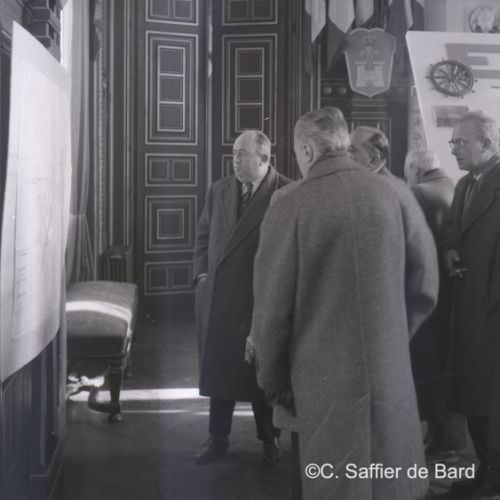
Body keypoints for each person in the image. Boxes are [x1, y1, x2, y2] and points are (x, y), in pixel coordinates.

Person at [249, 107, 438, 500]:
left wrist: (274, 384)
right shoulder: (396, 194)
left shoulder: (289, 207)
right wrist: (389, 342)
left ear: (306, 150)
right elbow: (425, 288)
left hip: (318, 388)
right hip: (389, 377)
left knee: (333, 484)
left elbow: (271, 314)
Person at [192, 130, 290, 465]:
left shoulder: (286, 191)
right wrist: (201, 276)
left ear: (263, 158)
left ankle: (269, 440)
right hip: (221, 298)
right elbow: (203, 237)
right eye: (234, 152)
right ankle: (217, 438)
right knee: (220, 374)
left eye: (242, 154)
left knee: (261, 375)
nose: (234, 159)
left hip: (260, 299)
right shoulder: (219, 189)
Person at [441, 110, 500, 496]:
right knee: (474, 398)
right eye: (453, 142)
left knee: (492, 402)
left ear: (488, 143)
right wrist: (449, 249)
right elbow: (451, 228)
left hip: (492, 313)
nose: (454, 149)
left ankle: (494, 480)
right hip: (468, 309)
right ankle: (485, 472)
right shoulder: (464, 184)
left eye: (461, 142)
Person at [404, 149, 466, 463]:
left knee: (429, 371)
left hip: (426, 296)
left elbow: (412, 249)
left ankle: (440, 440)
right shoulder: (454, 186)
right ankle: (452, 440)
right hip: (453, 293)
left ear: (414, 168)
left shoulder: (417, 193)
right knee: (447, 367)